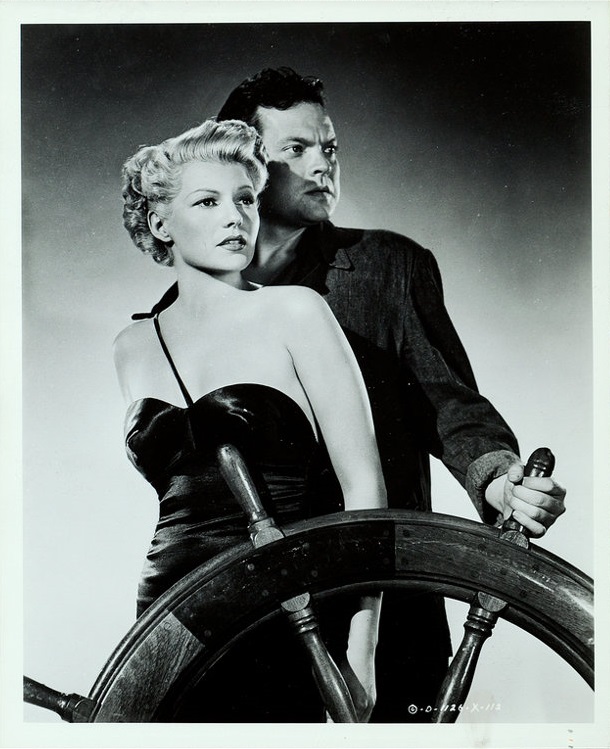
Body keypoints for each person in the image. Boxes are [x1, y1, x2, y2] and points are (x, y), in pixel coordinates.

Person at [134, 67, 567, 722]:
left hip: (385, 610)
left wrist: (499, 481)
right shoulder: (181, 309)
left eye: (329, 147)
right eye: (297, 149)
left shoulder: (389, 268)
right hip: (247, 620)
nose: (323, 165)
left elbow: (452, 405)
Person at [114, 118, 387, 722]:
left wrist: (360, 648)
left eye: (244, 199)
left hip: (287, 606)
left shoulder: (297, 312)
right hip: (167, 614)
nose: (235, 217)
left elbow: (365, 491)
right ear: (160, 224)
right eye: (207, 202)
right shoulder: (130, 346)